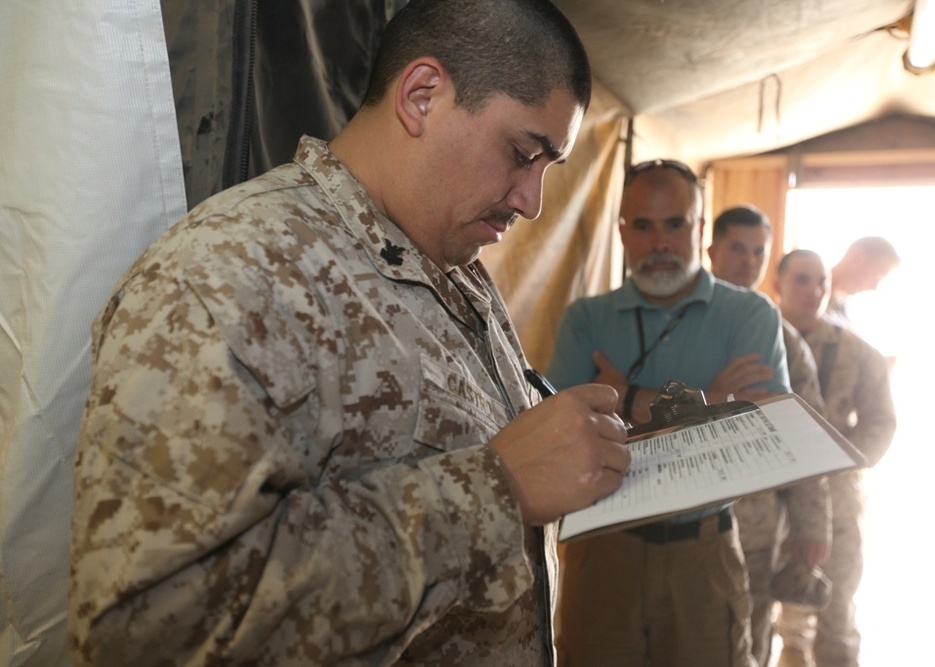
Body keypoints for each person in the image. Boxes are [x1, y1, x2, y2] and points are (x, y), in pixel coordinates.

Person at [68, 2, 633, 665]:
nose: (531, 201)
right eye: (521, 153)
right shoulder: (226, 274)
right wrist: (495, 487)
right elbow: (149, 628)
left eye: (548, 168)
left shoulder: (455, 268)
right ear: (421, 96)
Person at [547, 161, 791, 666]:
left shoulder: (751, 315)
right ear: (622, 234)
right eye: (643, 225)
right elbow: (561, 435)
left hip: (704, 557)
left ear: (699, 230)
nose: (659, 241)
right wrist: (712, 402)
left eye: (674, 223)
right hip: (601, 558)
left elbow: (763, 433)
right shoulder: (585, 320)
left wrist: (626, 394)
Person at [708, 205, 832, 667]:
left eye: (758, 251)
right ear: (711, 250)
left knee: (749, 643)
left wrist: (812, 524)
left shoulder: (784, 342)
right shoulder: (675, 326)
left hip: (755, 528)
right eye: (736, 248)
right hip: (674, 524)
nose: (746, 261)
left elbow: (810, 436)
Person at [771, 250, 897, 667]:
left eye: (821, 281)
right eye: (802, 280)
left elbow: (881, 423)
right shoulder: (755, 339)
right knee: (771, 622)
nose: (814, 290)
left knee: (836, 614)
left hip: (837, 506)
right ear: (779, 284)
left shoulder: (857, 351)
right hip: (766, 502)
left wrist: (840, 459)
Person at [826, 236, 900, 329]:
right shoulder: (810, 295)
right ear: (858, 258)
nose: (874, 287)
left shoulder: (844, 311)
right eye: (876, 276)